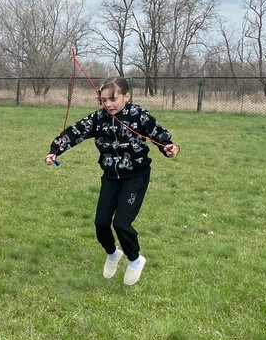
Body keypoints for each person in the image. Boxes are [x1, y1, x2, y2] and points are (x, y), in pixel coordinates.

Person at [45, 76, 179, 285]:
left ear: (127, 96)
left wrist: (169, 147)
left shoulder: (138, 115)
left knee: (121, 223)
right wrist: (55, 150)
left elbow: (159, 135)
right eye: (103, 100)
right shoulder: (99, 118)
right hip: (110, 178)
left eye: (112, 99)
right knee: (101, 223)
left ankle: (135, 260)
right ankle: (112, 253)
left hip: (135, 177)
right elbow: (75, 132)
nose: (107, 104)